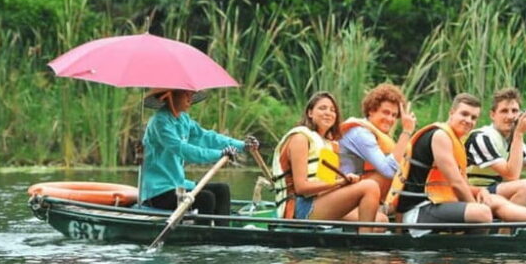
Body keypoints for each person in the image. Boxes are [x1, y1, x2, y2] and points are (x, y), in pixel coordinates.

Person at [394, 93, 526, 226]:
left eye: (473, 117)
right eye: (464, 114)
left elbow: (453, 184)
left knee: (495, 200)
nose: (468, 121)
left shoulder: (454, 139)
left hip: (439, 202)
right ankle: (504, 234)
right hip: (416, 211)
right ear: (451, 113)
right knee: (483, 213)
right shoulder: (441, 136)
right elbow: (456, 183)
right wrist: (477, 203)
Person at [140, 88, 257, 224]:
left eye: (191, 94)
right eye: (186, 95)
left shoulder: (183, 119)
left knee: (222, 189)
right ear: (170, 97)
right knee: (205, 198)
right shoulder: (159, 123)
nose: (190, 99)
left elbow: (206, 137)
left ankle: (222, 236)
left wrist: (242, 145)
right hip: (158, 192)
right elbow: (184, 150)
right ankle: (204, 240)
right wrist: (220, 154)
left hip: (178, 185)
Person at [272, 91, 383, 233]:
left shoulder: (330, 144)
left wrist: (346, 183)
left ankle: (347, 252)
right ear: (310, 113)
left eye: (332, 110)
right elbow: (301, 188)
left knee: (381, 221)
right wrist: (339, 183)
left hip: (320, 202)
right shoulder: (300, 138)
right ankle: (364, 249)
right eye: (322, 108)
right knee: (370, 186)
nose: (328, 113)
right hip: (299, 208)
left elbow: (325, 184)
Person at [465, 87, 526, 207]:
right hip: (474, 193)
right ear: (493, 115)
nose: (510, 116)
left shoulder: (513, 139)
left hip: (495, 190)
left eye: (514, 111)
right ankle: (505, 226)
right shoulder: (481, 137)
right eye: (504, 111)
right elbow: (511, 175)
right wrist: (519, 134)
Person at [339, 83, 416, 202]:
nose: (390, 119)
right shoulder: (361, 133)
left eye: (394, 115)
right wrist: (406, 131)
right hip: (340, 193)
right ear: (371, 111)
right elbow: (388, 171)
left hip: (357, 191)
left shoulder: (377, 134)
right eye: (386, 112)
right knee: (390, 176)